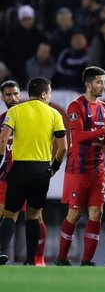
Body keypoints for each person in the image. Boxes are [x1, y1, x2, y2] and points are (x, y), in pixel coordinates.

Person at [0, 78, 67, 266]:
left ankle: (2, 251)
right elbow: (63, 148)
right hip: (41, 170)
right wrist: (54, 167)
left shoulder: (14, 111)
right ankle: (31, 261)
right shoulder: (54, 114)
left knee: (9, 214)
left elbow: (3, 138)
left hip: (19, 168)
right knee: (34, 215)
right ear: (45, 94)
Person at [56, 67, 105, 266]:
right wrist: (102, 131)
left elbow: (104, 138)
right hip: (77, 168)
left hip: (97, 168)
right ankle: (62, 258)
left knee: (96, 213)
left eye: (104, 82)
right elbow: (78, 137)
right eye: (99, 82)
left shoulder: (104, 107)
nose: (103, 86)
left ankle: (86, 261)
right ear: (88, 84)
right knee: (74, 213)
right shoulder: (76, 106)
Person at [0, 81, 47, 266]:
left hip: (27, 171)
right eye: (8, 95)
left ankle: (38, 258)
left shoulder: (31, 116)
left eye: (16, 94)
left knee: (36, 216)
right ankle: (3, 252)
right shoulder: (3, 119)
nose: (13, 98)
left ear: (22, 95)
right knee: (6, 214)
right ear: (2, 97)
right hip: (6, 175)